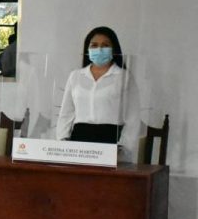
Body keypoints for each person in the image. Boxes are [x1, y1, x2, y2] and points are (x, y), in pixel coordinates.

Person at [56, 26, 140, 161]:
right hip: (79, 139)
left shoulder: (124, 77)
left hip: (110, 139)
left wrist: (124, 146)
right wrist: (62, 140)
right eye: (94, 45)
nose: (99, 49)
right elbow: (66, 113)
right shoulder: (76, 76)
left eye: (105, 45)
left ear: (114, 49)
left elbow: (133, 117)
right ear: (87, 49)